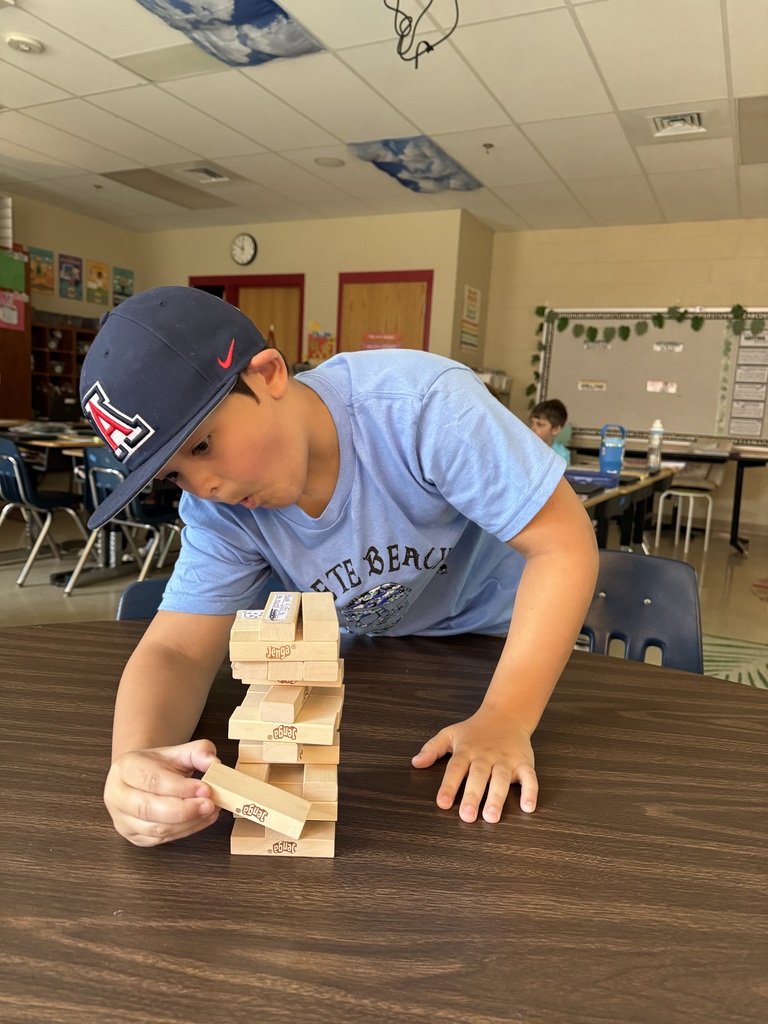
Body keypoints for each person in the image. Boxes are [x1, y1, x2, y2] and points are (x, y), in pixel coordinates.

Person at [81, 286, 598, 848]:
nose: (203, 486)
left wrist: (506, 718)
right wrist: (135, 764)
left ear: (268, 374)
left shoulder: (422, 406)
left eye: (202, 446)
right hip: (374, 659)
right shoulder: (219, 509)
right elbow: (177, 649)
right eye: (173, 476)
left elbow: (562, 544)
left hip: (500, 648)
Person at [530, 399, 572, 465]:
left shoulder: (562, 455)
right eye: (532, 423)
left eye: (540, 424)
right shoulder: (525, 448)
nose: (532, 428)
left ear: (555, 430)